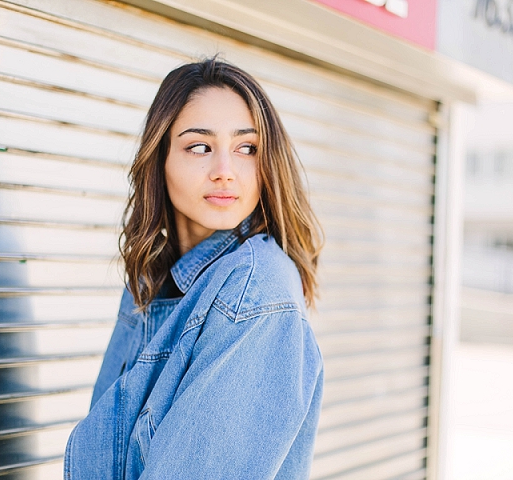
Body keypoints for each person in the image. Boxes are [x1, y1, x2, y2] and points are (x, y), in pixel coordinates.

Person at [64, 58, 324, 479]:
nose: (225, 172)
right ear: (160, 158)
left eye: (246, 149)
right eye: (200, 147)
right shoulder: (148, 279)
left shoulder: (255, 294)